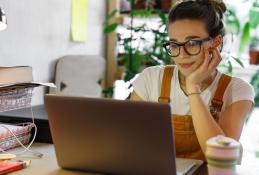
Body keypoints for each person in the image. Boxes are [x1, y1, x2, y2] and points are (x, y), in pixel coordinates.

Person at [130, 0, 255, 160]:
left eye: (192, 43)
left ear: (216, 42)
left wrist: (193, 88)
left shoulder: (237, 90)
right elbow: (132, 143)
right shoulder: (151, 79)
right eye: (174, 44)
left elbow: (222, 158)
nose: (182, 54)